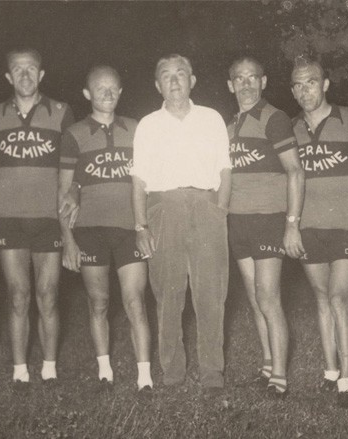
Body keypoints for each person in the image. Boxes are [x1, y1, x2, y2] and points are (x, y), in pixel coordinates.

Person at [131, 54, 231, 392]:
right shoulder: (148, 125)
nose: (174, 81)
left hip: (206, 205)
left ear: (192, 80)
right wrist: (141, 226)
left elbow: (225, 169)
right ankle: (172, 372)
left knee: (211, 293)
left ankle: (212, 372)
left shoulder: (211, 118)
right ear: (157, 85)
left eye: (181, 74)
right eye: (166, 75)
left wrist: (220, 210)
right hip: (165, 207)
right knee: (168, 293)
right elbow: (138, 181)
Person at [0, 48, 75, 383]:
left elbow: (72, 167)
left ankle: (49, 367)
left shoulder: (62, 113)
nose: (24, 75)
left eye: (31, 68)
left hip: (48, 218)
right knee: (17, 295)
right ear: (8, 76)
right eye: (17, 69)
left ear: (41, 74)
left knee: (48, 295)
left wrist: (70, 212)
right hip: (10, 219)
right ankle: (20, 370)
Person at [290, 56, 348, 407]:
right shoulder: (291, 128)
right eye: (298, 85)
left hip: (345, 224)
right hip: (309, 226)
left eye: (311, 82)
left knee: (339, 297)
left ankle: (347, 380)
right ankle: (329, 371)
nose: (304, 91)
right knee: (322, 297)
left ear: (325, 84)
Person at [60, 66, 153, 393]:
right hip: (90, 230)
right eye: (100, 88)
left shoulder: (136, 128)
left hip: (130, 228)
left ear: (121, 92)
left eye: (113, 88)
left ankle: (145, 378)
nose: (108, 93)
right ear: (87, 94)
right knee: (98, 302)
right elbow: (64, 192)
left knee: (135, 301)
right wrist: (68, 240)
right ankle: (104, 371)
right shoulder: (74, 134)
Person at [225, 56, 305, 398]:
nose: (246, 84)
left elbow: (296, 172)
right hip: (238, 221)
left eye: (252, 77)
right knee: (256, 299)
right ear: (230, 85)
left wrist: (292, 224)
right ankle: (268, 365)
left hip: (269, 219)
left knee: (269, 298)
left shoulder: (274, 118)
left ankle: (280, 377)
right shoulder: (230, 126)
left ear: (263, 81)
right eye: (239, 78)